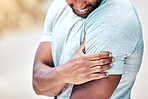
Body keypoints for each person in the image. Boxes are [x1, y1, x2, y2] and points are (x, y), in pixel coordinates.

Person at [33, 0, 144, 99]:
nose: (79, 5)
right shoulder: (58, 6)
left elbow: (44, 83)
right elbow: (38, 83)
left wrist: (56, 77)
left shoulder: (113, 19)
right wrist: (64, 74)